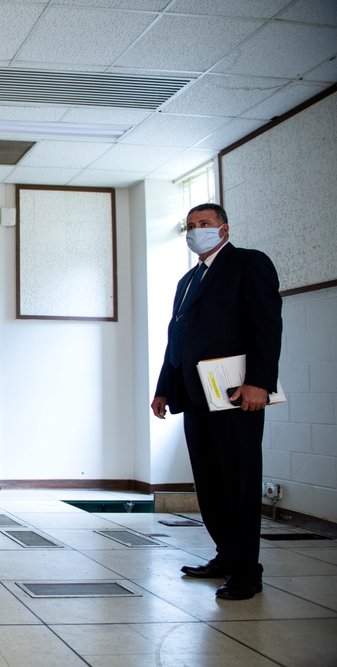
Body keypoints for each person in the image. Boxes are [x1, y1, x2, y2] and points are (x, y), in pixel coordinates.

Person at [151, 203, 282, 601]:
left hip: (235, 394)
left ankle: (247, 569)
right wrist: (164, 387)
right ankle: (226, 556)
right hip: (194, 396)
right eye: (190, 226)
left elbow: (266, 325)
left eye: (204, 224)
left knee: (238, 482)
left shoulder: (248, 264)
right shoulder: (188, 280)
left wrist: (260, 382)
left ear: (223, 229)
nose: (196, 231)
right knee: (209, 483)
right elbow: (178, 339)